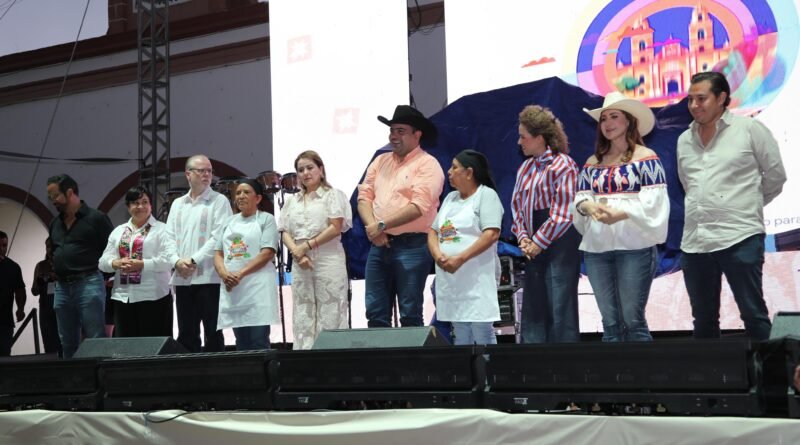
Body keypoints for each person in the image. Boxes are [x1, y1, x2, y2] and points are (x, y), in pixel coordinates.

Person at [678, 71, 786, 341]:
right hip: (696, 243)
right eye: (690, 99)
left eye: (701, 98)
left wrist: (746, 204)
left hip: (740, 237)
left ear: (721, 98)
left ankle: (769, 370)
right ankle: (707, 370)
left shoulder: (749, 129)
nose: (694, 105)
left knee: (753, 314)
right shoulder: (684, 140)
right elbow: (688, 184)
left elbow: (775, 176)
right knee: (703, 319)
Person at [573, 92, 669, 342]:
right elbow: (581, 197)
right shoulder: (592, 162)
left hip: (635, 247)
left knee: (633, 321)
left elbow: (655, 202)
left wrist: (623, 212)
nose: (607, 123)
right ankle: (614, 368)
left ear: (629, 121)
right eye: (603, 118)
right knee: (610, 324)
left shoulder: (646, 157)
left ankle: (640, 368)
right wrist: (588, 206)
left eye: (614, 116)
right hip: (597, 248)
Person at [357, 105, 445, 327]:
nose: (393, 136)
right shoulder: (380, 161)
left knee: (410, 311)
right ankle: (381, 350)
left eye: (400, 131)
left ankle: (411, 351)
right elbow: (364, 197)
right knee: (375, 312)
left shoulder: (428, 164)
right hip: (379, 243)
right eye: (392, 130)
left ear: (417, 134)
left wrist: (380, 225)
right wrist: (373, 228)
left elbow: (418, 206)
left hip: (414, 244)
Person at [511, 105, 581, 344]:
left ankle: (563, 362)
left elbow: (564, 212)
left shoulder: (564, 165)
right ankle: (534, 359)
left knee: (560, 304)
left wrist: (538, 242)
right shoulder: (525, 168)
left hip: (559, 241)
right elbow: (517, 206)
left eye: (523, 137)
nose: (519, 142)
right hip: (534, 241)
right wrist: (523, 237)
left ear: (539, 138)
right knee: (534, 304)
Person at [279, 150, 352, 350]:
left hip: (328, 259)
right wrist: (297, 252)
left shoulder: (333, 195)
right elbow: (284, 230)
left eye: (310, 168)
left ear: (321, 169)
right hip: (300, 260)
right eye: (300, 170)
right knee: (303, 312)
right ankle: (304, 359)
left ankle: (330, 359)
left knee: (331, 310)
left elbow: (335, 227)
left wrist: (307, 246)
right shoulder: (292, 201)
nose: (305, 173)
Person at [428, 150, 503, 345]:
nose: (449, 171)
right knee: (460, 331)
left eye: (454, 167)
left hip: (477, 278)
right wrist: (438, 255)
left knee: (481, 330)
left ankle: (487, 366)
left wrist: (460, 258)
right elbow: (433, 232)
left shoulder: (486, 195)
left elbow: (491, 233)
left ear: (469, 172)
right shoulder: (450, 198)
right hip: (452, 278)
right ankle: (466, 366)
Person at [166, 155, 232, 352]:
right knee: (186, 334)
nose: (206, 174)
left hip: (210, 277)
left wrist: (193, 260)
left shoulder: (219, 201)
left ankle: (216, 371)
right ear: (188, 174)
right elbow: (168, 238)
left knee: (213, 333)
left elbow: (218, 237)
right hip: (183, 278)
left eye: (209, 171)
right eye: (201, 170)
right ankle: (189, 371)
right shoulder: (178, 203)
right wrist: (176, 261)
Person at [47, 174, 113, 358]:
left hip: (89, 282)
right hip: (61, 287)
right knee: (67, 341)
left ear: (70, 192)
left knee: (95, 337)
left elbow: (111, 250)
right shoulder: (55, 223)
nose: (52, 201)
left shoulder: (96, 218)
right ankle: (72, 376)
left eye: (55, 195)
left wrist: (104, 278)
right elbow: (54, 250)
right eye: (50, 197)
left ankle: (99, 376)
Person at [98, 186, 175, 338]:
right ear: (128, 207)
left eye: (145, 202)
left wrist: (142, 264)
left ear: (151, 205)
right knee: (127, 346)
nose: (140, 206)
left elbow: (169, 260)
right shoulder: (118, 231)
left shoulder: (163, 229)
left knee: (154, 345)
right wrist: (115, 263)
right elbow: (102, 262)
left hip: (154, 296)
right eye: (135, 203)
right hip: (123, 297)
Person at [214, 179, 280, 350]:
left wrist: (240, 273)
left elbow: (267, 252)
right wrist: (224, 274)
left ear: (258, 198)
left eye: (246, 192)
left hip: (257, 288)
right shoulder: (228, 222)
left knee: (259, 340)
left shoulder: (266, 219)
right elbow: (218, 253)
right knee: (241, 342)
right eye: (238, 193)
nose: (241, 196)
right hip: (234, 289)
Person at [31, 238, 61, 355]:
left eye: (52, 247)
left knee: (64, 342)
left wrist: (58, 277)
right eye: (47, 247)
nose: (50, 250)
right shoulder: (41, 265)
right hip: (46, 307)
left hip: (62, 306)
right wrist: (41, 280)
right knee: (48, 343)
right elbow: (34, 291)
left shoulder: (65, 264)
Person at [0, 231, 26, 356]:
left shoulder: (13, 267)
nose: (1, 249)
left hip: (5, 321)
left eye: (4, 245)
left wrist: (20, 309)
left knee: (4, 355)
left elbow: (20, 290)